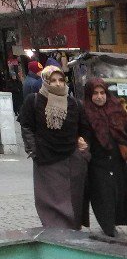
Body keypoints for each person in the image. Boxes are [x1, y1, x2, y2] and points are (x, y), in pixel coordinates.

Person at [18, 65, 91, 229]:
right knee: (48, 200)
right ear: (45, 81)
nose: (58, 84)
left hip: (72, 159)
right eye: (53, 80)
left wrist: (83, 147)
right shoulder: (34, 100)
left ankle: (72, 231)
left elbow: (85, 129)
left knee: (73, 200)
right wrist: (33, 150)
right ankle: (54, 233)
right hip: (45, 159)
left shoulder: (75, 104)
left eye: (61, 80)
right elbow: (26, 126)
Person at [83, 77, 127, 237]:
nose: (99, 96)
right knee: (102, 194)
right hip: (97, 161)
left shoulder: (116, 108)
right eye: (95, 93)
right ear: (89, 95)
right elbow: (82, 136)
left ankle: (115, 222)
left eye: (102, 92)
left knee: (119, 191)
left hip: (117, 158)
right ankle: (108, 227)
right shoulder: (85, 111)